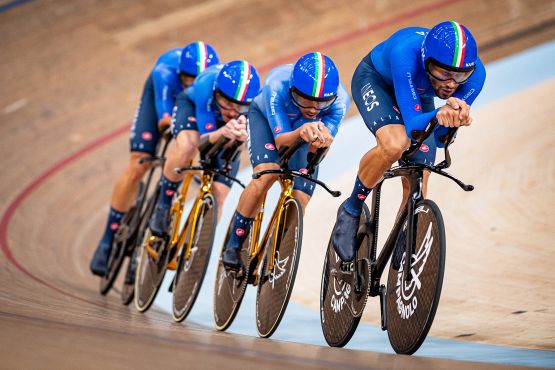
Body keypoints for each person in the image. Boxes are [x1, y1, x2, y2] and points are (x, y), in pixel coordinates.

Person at [332, 21, 486, 262]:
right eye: (444, 72)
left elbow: (435, 137)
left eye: (459, 75)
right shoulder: (405, 52)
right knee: (395, 144)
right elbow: (414, 126)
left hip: (416, 92)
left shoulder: (476, 76)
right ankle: (351, 208)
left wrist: (453, 121)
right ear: (426, 61)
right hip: (377, 81)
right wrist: (439, 114)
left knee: (421, 170)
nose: (451, 83)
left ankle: (402, 238)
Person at [90, 42, 219, 276]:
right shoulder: (165, 73)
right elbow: (164, 119)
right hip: (162, 104)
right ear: (180, 72)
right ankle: (107, 239)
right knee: (139, 165)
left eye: (197, 78)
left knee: (185, 157)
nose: (192, 83)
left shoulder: (211, 84)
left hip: (189, 107)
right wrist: (183, 129)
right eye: (188, 77)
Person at [222, 52, 350, 269]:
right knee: (267, 173)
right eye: (304, 100)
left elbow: (316, 155)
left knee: (301, 196)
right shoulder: (277, 85)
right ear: (292, 90)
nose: (311, 109)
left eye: (321, 104)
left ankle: (277, 246)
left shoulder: (340, 102)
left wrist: (320, 144)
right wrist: (302, 130)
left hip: (302, 132)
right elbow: (281, 142)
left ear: (331, 99)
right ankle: (234, 243)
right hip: (267, 121)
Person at [148, 60, 261, 237]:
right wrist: (223, 131)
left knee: (220, 194)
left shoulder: (254, 106)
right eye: (227, 102)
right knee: (188, 146)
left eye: (240, 106)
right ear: (216, 92)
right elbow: (204, 141)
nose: (232, 111)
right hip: (194, 110)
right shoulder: (205, 84)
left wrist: (238, 140)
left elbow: (236, 150)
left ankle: (198, 248)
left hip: (222, 126)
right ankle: (163, 204)